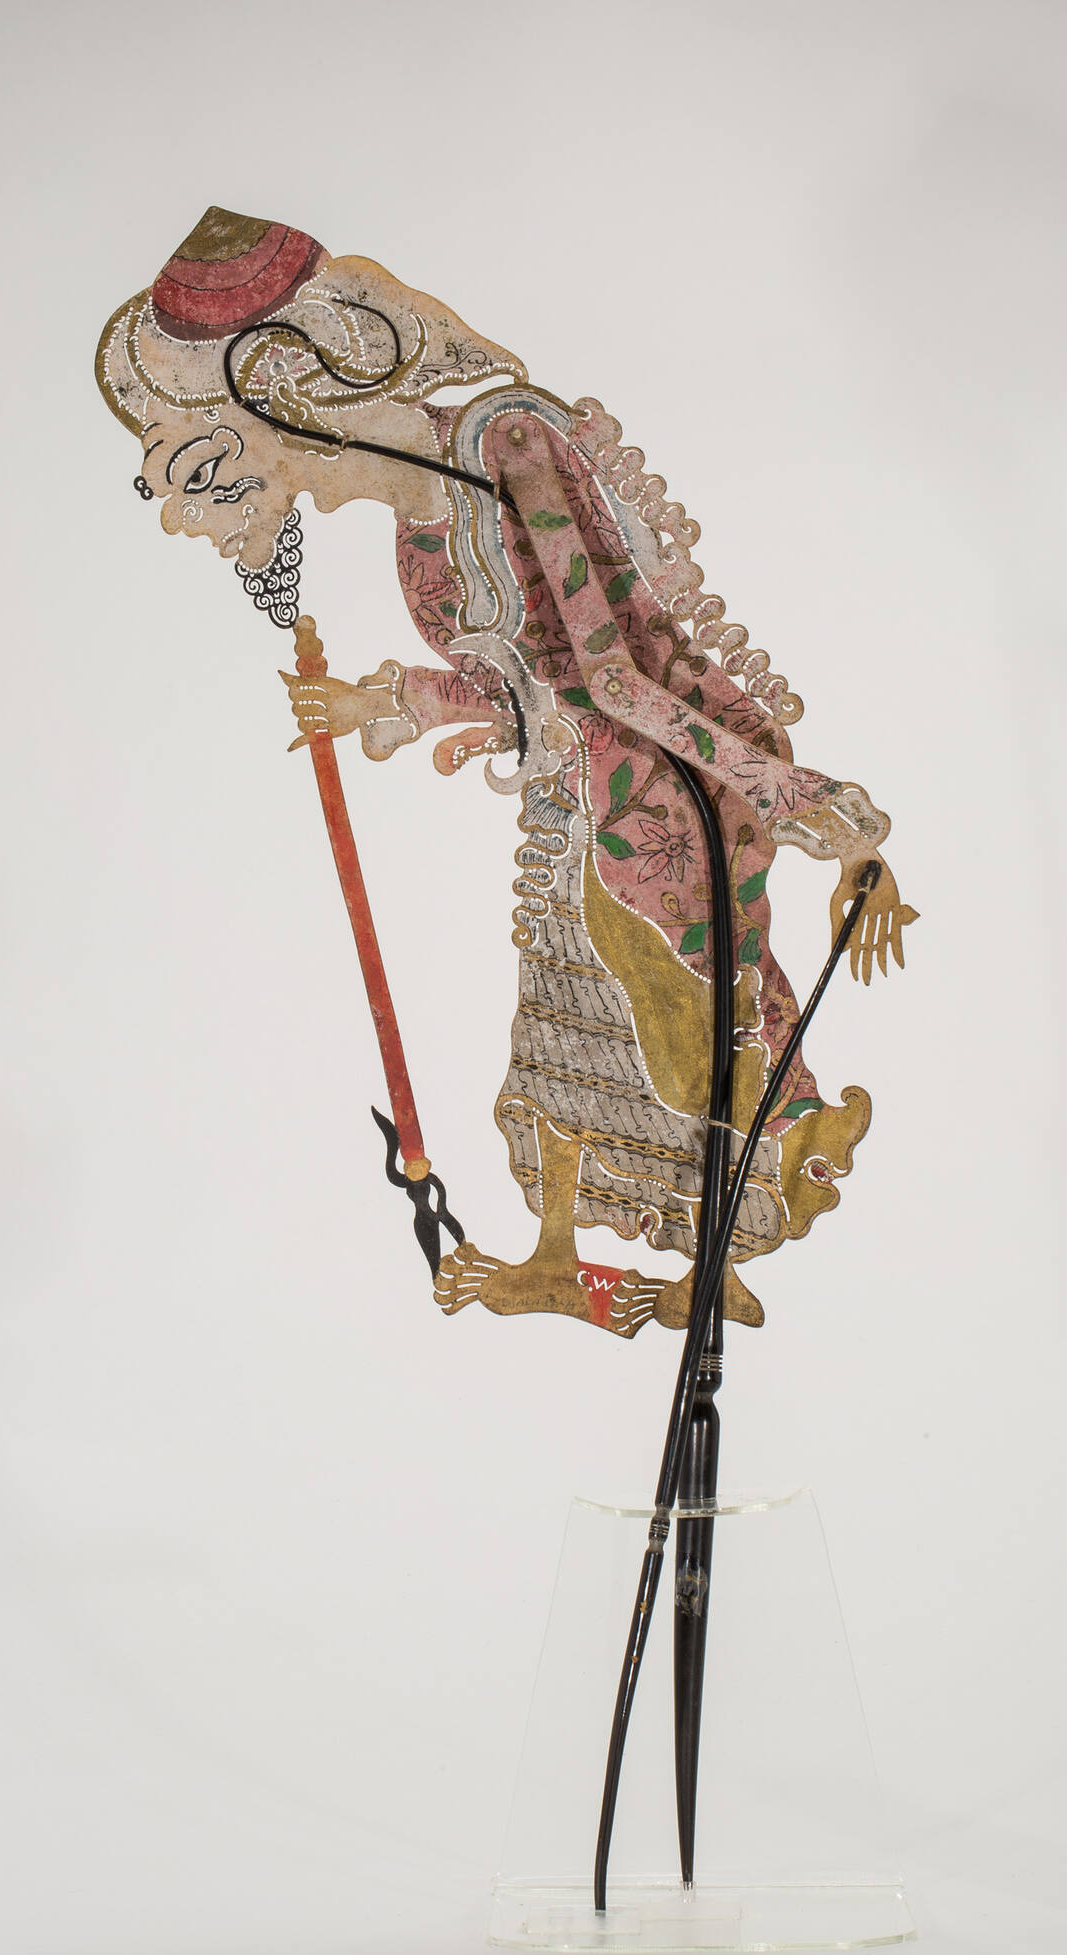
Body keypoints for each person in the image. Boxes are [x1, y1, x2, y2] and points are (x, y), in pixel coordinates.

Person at [96, 207, 915, 1336]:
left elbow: (615, 677)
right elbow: (531, 690)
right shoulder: (418, 526)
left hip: (664, 800)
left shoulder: (506, 443)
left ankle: (718, 1259)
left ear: (294, 387)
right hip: (576, 806)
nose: (289, 483)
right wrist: (382, 702)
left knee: (693, 1037)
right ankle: (555, 1260)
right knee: (564, 1036)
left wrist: (819, 812)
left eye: (242, 442)